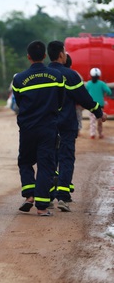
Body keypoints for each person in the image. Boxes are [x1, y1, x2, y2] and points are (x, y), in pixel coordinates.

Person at [47, 41, 105, 212]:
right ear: (61, 55)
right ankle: (63, 197)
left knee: (49, 158)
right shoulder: (70, 75)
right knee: (66, 158)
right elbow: (84, 98)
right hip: (66, 124)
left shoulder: (43, 74)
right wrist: (99, 112)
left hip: (47, 125)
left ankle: (47, 197)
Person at [11, 40, 64, 216]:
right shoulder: (56, 76)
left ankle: (29, 196)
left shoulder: (18, 79)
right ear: (44, 56)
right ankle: (42, 208)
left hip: (27, 127)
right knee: (45, 164)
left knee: (25, 161)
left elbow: (18, 103)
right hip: (48, 128)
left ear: (28, 57)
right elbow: (60, 101)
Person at [85, 67, 112, 139]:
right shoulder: (102, 83)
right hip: (100, 105)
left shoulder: (88, 84)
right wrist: (104, 94)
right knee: (100, 121)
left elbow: (85, 93)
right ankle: (100, 134)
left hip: (91, 105)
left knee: (92, 121)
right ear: (99, 76)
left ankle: (92, 134)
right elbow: (109, 91)